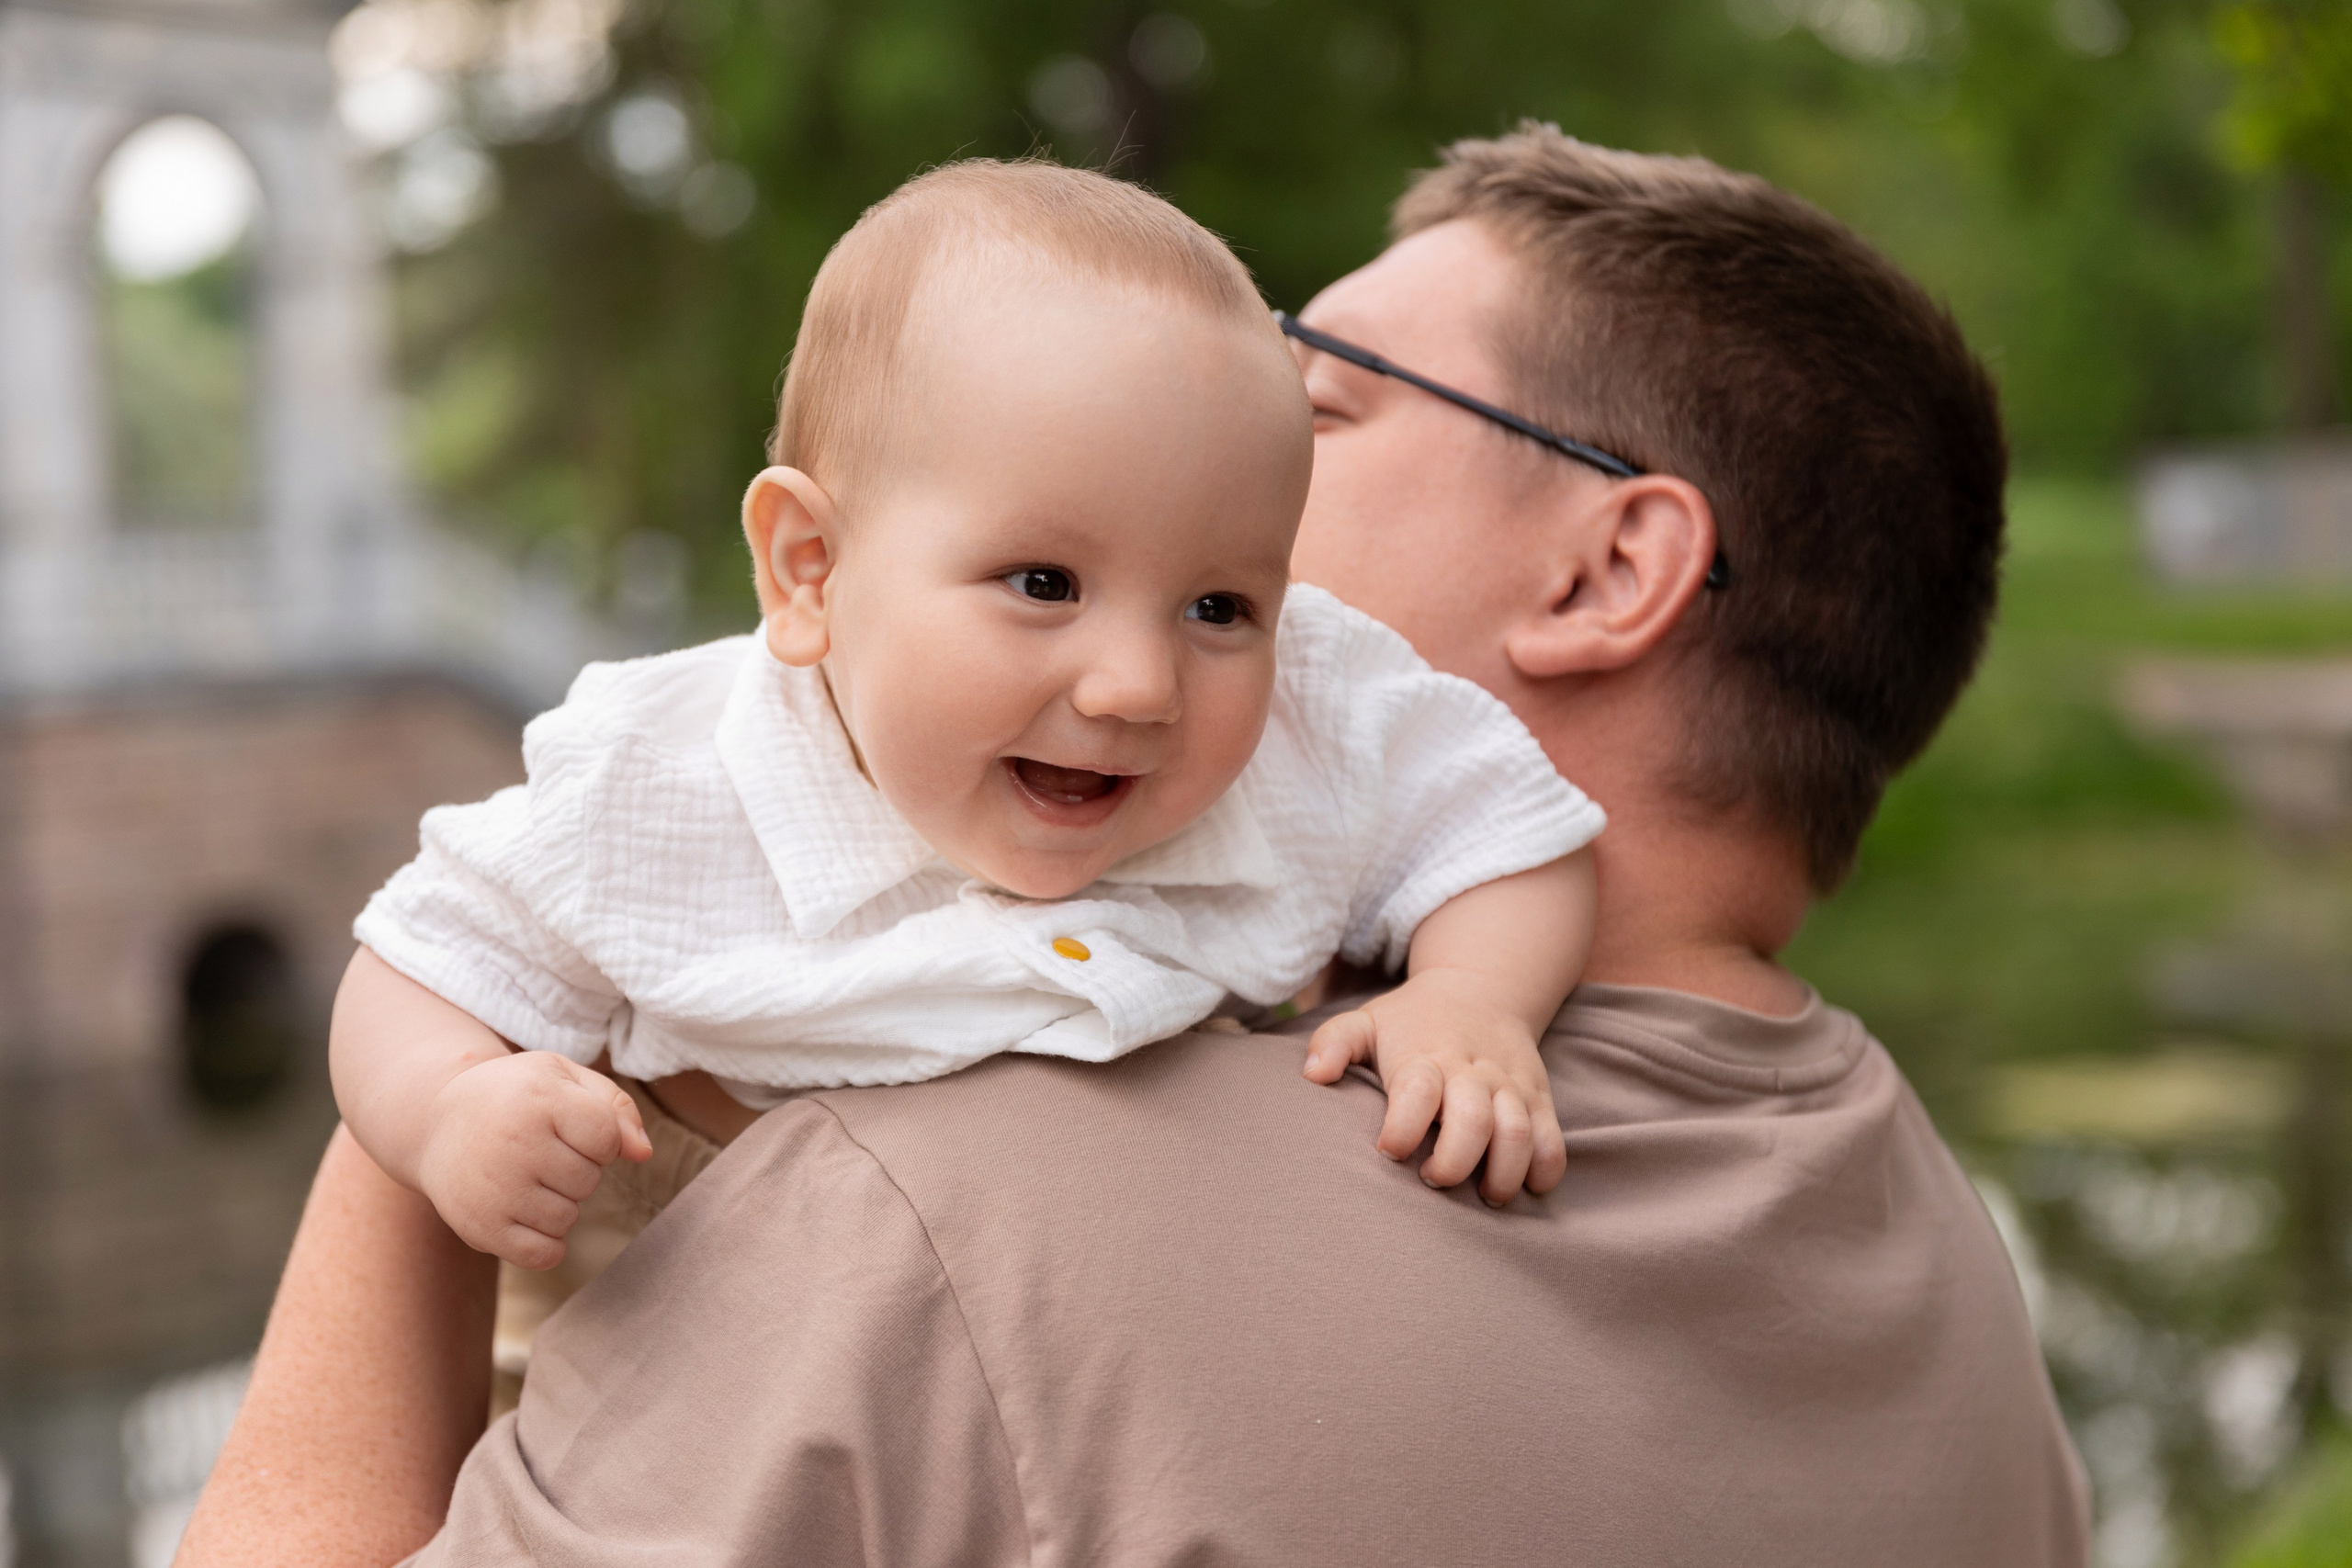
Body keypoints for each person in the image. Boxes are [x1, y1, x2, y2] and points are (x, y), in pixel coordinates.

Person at [179, 126, 2091, 1568]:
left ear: (1611, 567)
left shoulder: (927, 1215)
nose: (1200, 443)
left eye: (1316, 401)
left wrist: (445, 1083)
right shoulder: (1959, 1296)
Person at [329, 159, 1601, 1287]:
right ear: (810, 571)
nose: (1137, 687)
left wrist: (1472, 999)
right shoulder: (665, 784)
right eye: (1044, 586)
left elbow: (1507, 827)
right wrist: (449, 1107)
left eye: (1220, 606)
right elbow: (415, 961)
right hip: (668, 1266)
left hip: (1059, 1299)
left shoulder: (1313, 719)